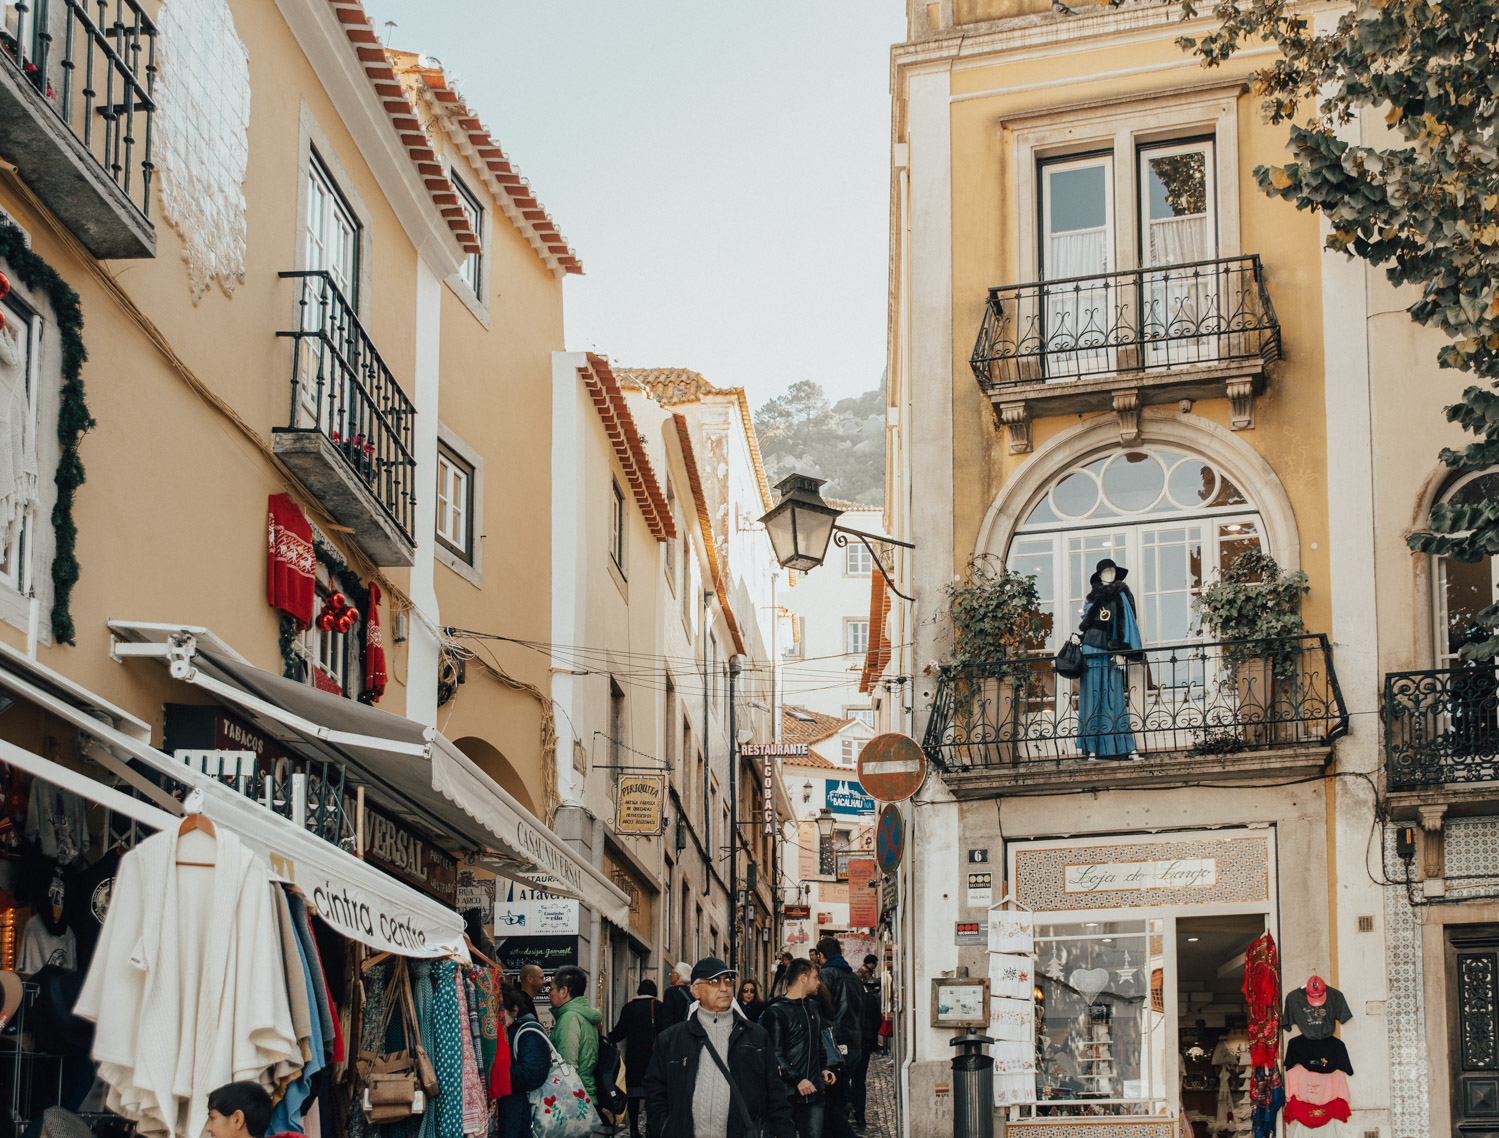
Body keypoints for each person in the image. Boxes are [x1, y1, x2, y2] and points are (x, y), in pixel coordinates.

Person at [643, 957, 795, 1138]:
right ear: (696, 991)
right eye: (714, 982)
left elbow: (776, 1095)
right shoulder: (670, 1040)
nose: (724, 988)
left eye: (728, 981)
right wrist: (666, 1128)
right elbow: (654, 1092)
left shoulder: (756, 1037)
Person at [761, 959, 836, 1138]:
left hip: (814, 1093)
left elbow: (818, 1045)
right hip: (787, 1094)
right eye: (815, 977)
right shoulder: (776, 1012)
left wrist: (824, 1069)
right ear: (803, 978)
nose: (819, 982)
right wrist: (798, 1079)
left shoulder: (814, 1007)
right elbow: (775, 1055)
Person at [815, 938, 865, 1133]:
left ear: (821, 956)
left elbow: (822, 1009)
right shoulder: (854, 978)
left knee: (832, 1099)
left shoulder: (826, 974)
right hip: (855, 1042)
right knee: (843, 1092)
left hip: (834, 1043)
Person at [608, 979, 662, 1138]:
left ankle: (633, 1129)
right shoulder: (658, 1007)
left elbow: (619, 1032)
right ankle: (650, 1127)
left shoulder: (629, 1008)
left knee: (633, 1095)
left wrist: (607, 1038)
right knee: (652, 1095)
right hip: (652, 1058)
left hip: (633, 1058)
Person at [499, 985, 552, 1138]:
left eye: (502, 1016)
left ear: (515, 1010)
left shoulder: (528, 1031)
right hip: (510, 1111)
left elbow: (532, 1074)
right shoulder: (509, 1030)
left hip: (522, 1111)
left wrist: (496, 1073)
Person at [550, 965, 603, 1102]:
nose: (549, 994)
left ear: (563, 991)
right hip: (586, 1094)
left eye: (551, 989)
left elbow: (567, 1066)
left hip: (575, 1099)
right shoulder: (584, 1015)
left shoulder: (569, 1017)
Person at [848, 957, 882, 1129]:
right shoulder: (869, 999)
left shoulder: (845, 1000)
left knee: (846, 1079)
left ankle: (845, 1112)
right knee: (859, 1080)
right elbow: (877, 1021)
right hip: (864, 1044)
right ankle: (860, 1115)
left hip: (848, 1044)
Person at [659, 960, 692, 1030]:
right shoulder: (693, 993)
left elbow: (667, 1019)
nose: (670, 975)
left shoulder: (670, 992)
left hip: (675, 1034)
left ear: (677, 976)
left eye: (672, 973)